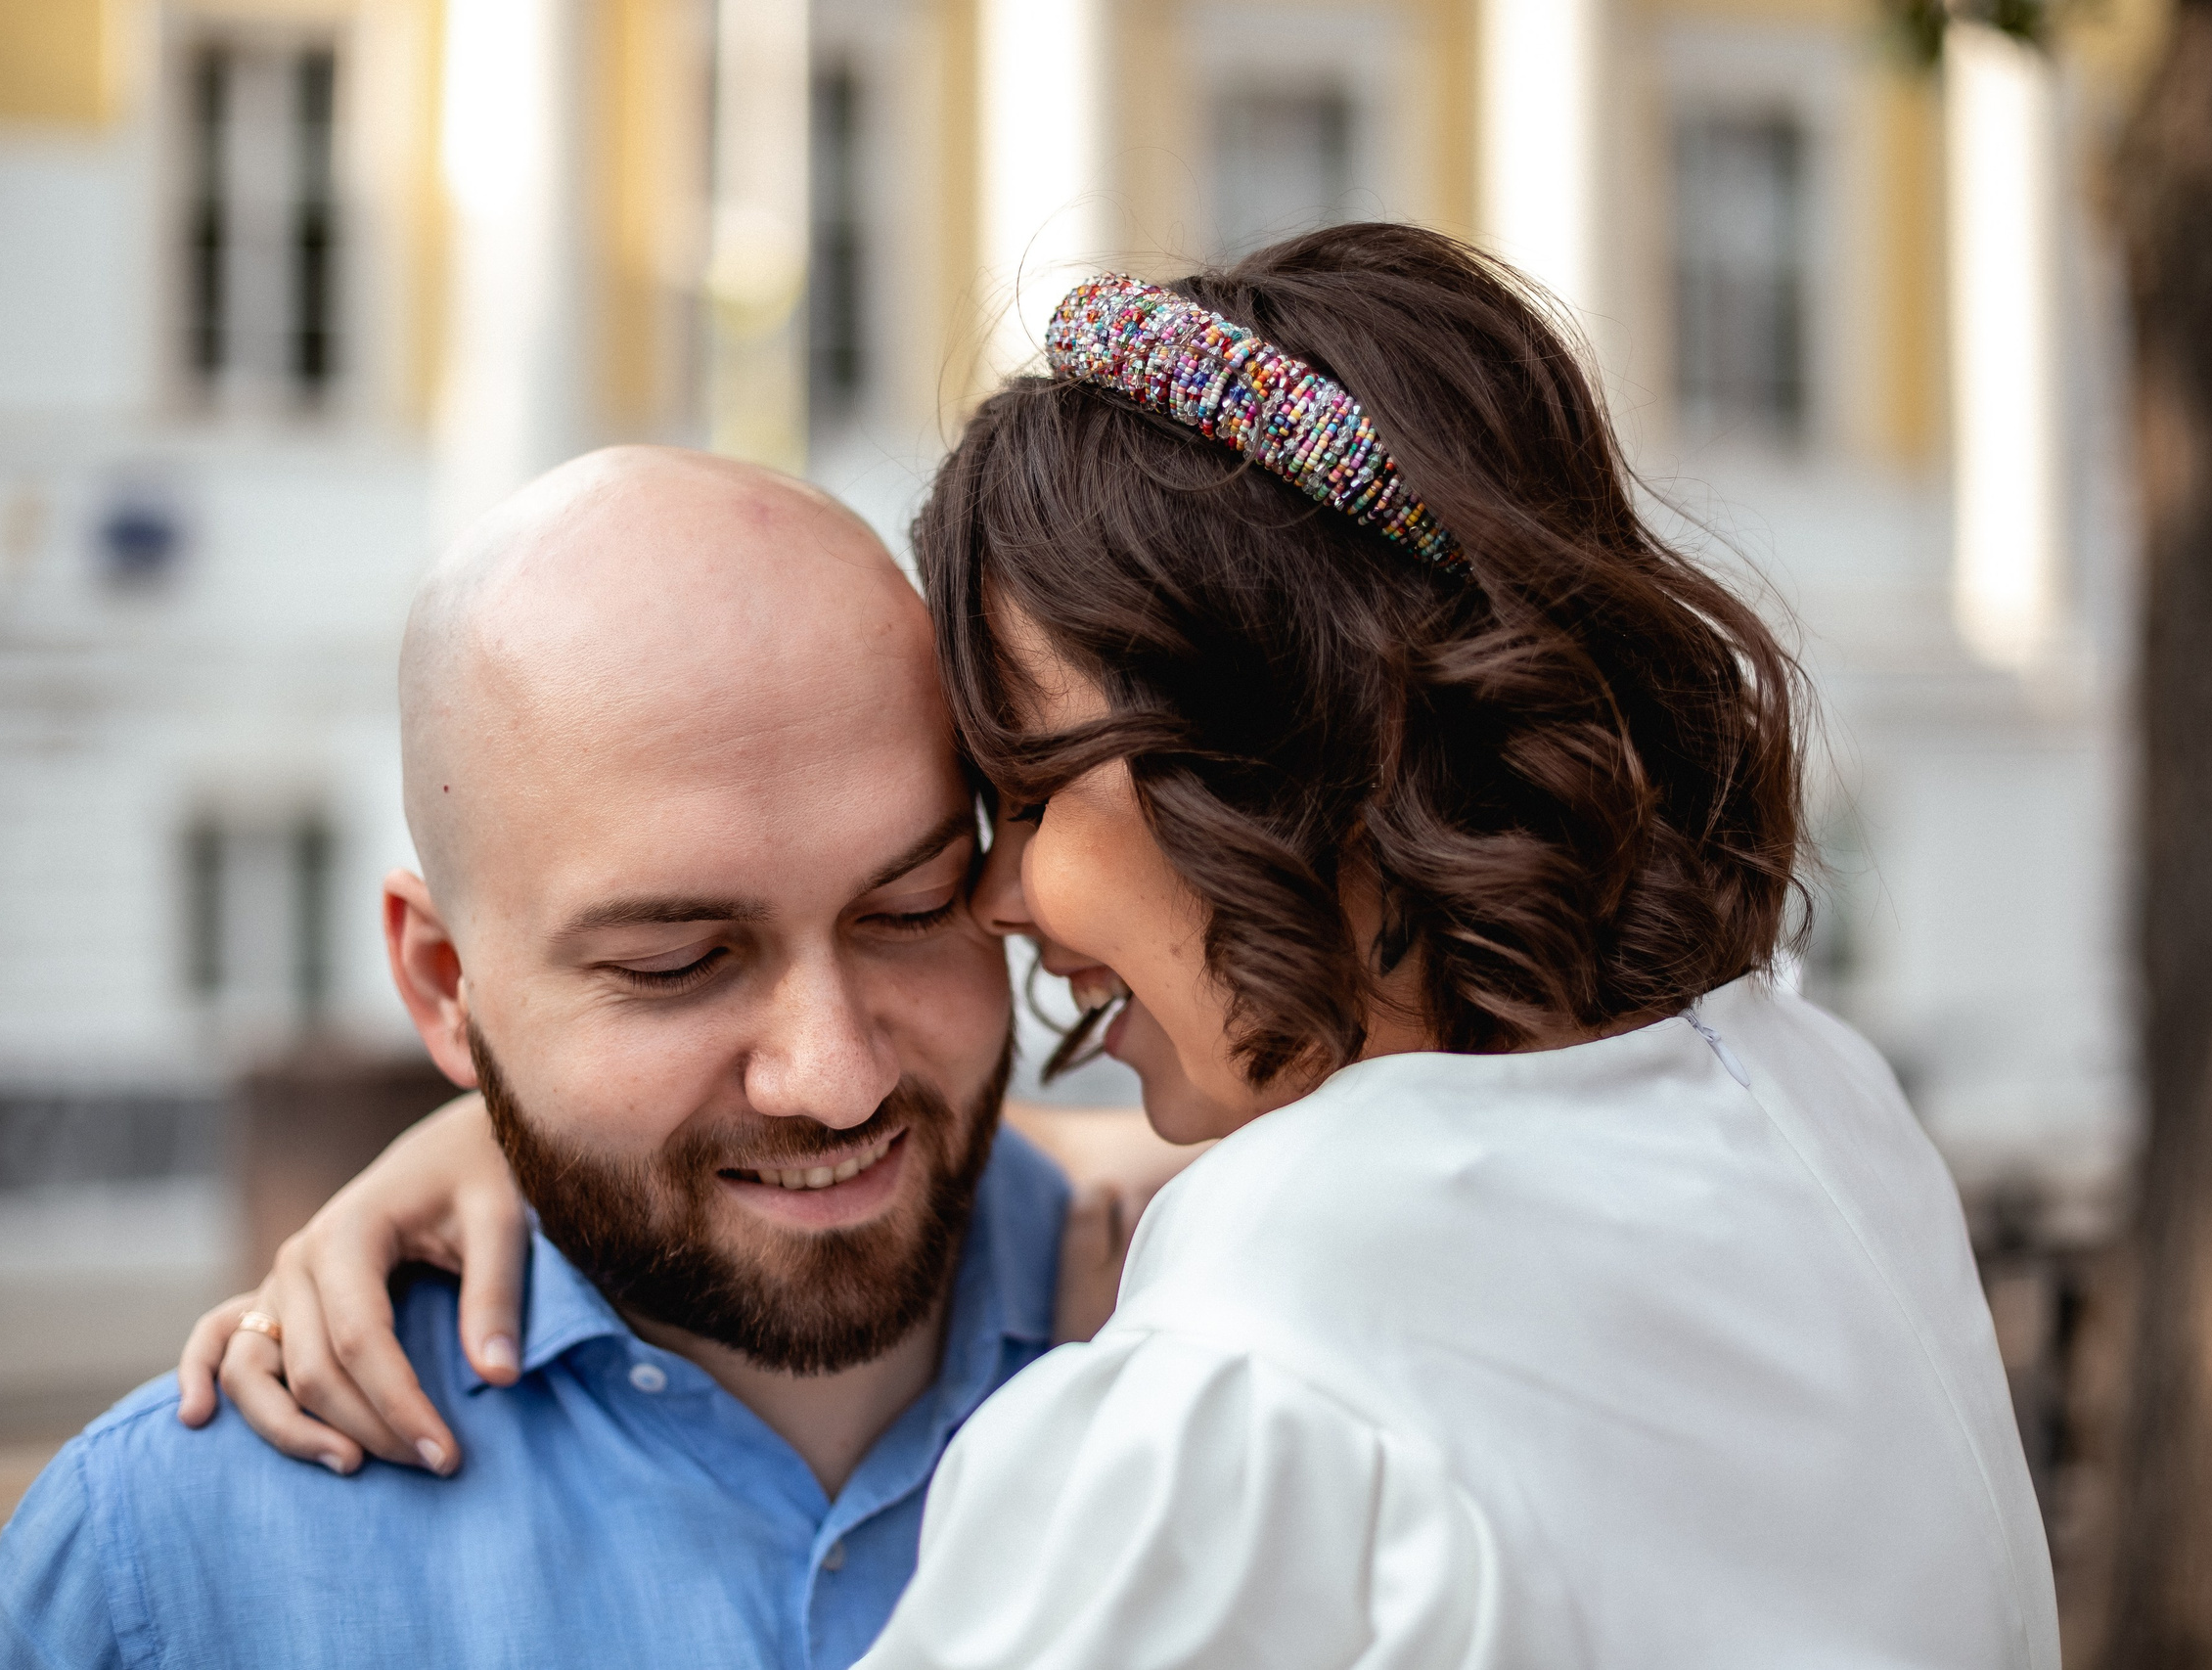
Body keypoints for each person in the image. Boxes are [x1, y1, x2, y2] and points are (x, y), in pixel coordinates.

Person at [186, 225, 2060, 1666]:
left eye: (1027, 793)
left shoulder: (1232, 1402)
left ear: (1290, 765)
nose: (1003, 899)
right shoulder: (1818, 1117)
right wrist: (535, 1128)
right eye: (674, 961)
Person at [0, 449, 1165, 1670]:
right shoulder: (164, 1569)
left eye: (911, 910)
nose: (836, 1075)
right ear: (443, 982)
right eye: (677, 964)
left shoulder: (1243, 1348)